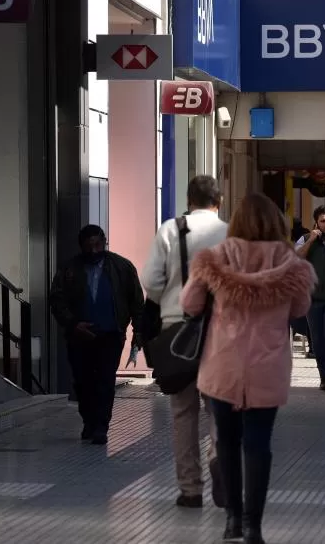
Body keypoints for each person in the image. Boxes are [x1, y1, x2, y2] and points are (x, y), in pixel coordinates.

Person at [181, 193, 316, 544]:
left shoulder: (215, 258)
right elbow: (300, 309)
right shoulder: (291, 263)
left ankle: (232, 521)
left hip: (222, 364)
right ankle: (255, 525)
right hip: (267, 365)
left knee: (226, 441)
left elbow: (190, 304)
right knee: (258, 443)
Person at [141, 175, 229, 508]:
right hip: (221, 331)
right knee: (220, 407)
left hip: (177, 330)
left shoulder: (170, 229)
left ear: (189, 200)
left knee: (183, 412)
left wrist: (174, 298)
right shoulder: (231, 232)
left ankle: (190, 488)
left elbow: (151, 281)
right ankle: (220, 458)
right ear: (218, 202)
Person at [49, 224, 144, 445]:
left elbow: (136, 302)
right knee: (83, 381)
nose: (93, 251)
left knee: (105, 380)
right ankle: (89, 421)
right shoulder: (69, 269)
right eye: (88, 246)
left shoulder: (122, 267)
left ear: (104, 242)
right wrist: (73, 324)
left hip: (110, 333)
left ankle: (101, 426)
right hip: (79, 335)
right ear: (81, 246)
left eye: (98, 245)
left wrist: (138, 331)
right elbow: (57, 300)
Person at [296, 205, 325, 392]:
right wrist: (311, 240)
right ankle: (324, 376)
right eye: (323, 221)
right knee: (317, 340)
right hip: (312, 298)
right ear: (316, 222)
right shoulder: (306, 239)